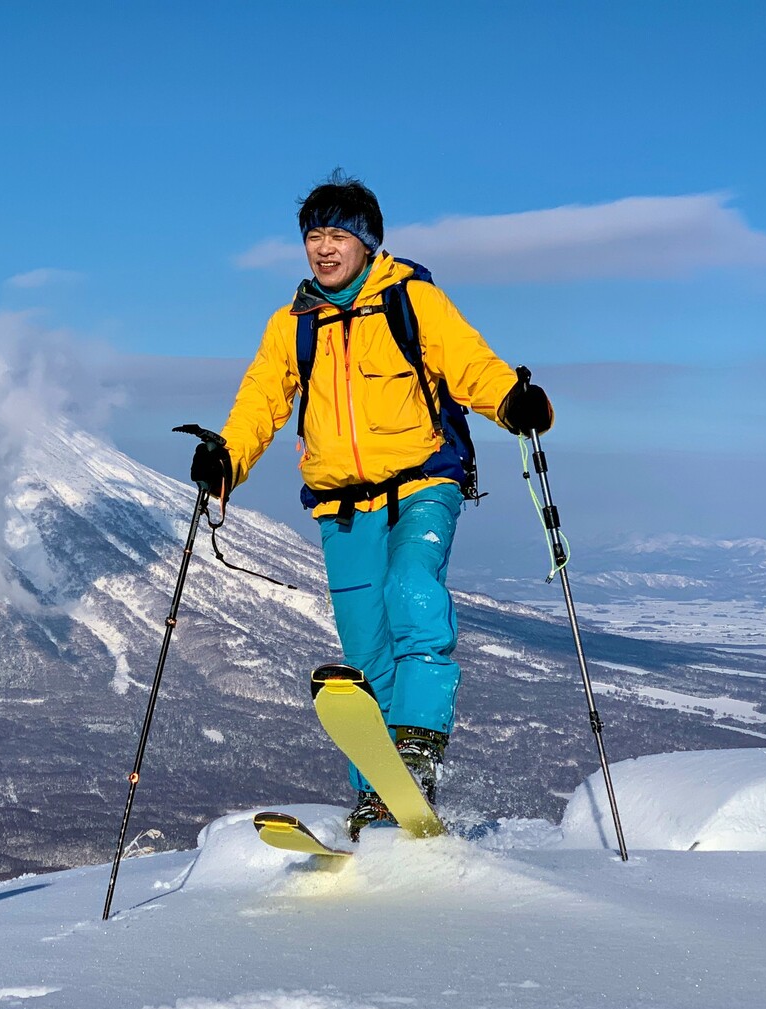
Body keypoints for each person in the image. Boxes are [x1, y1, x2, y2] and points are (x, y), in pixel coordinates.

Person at [191, 172, 553, 837]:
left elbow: (468, 364)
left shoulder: (411, 299)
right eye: (312, 237)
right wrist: (226, 459)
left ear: (367, 242)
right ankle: (379, 798)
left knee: (414, 592)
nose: (323, 249)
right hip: (343, 507)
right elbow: (260, 404)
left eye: (337, 236)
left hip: (423, 484)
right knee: (364, 655)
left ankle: (416, 754)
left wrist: (511, 401)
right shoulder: (293, 324)